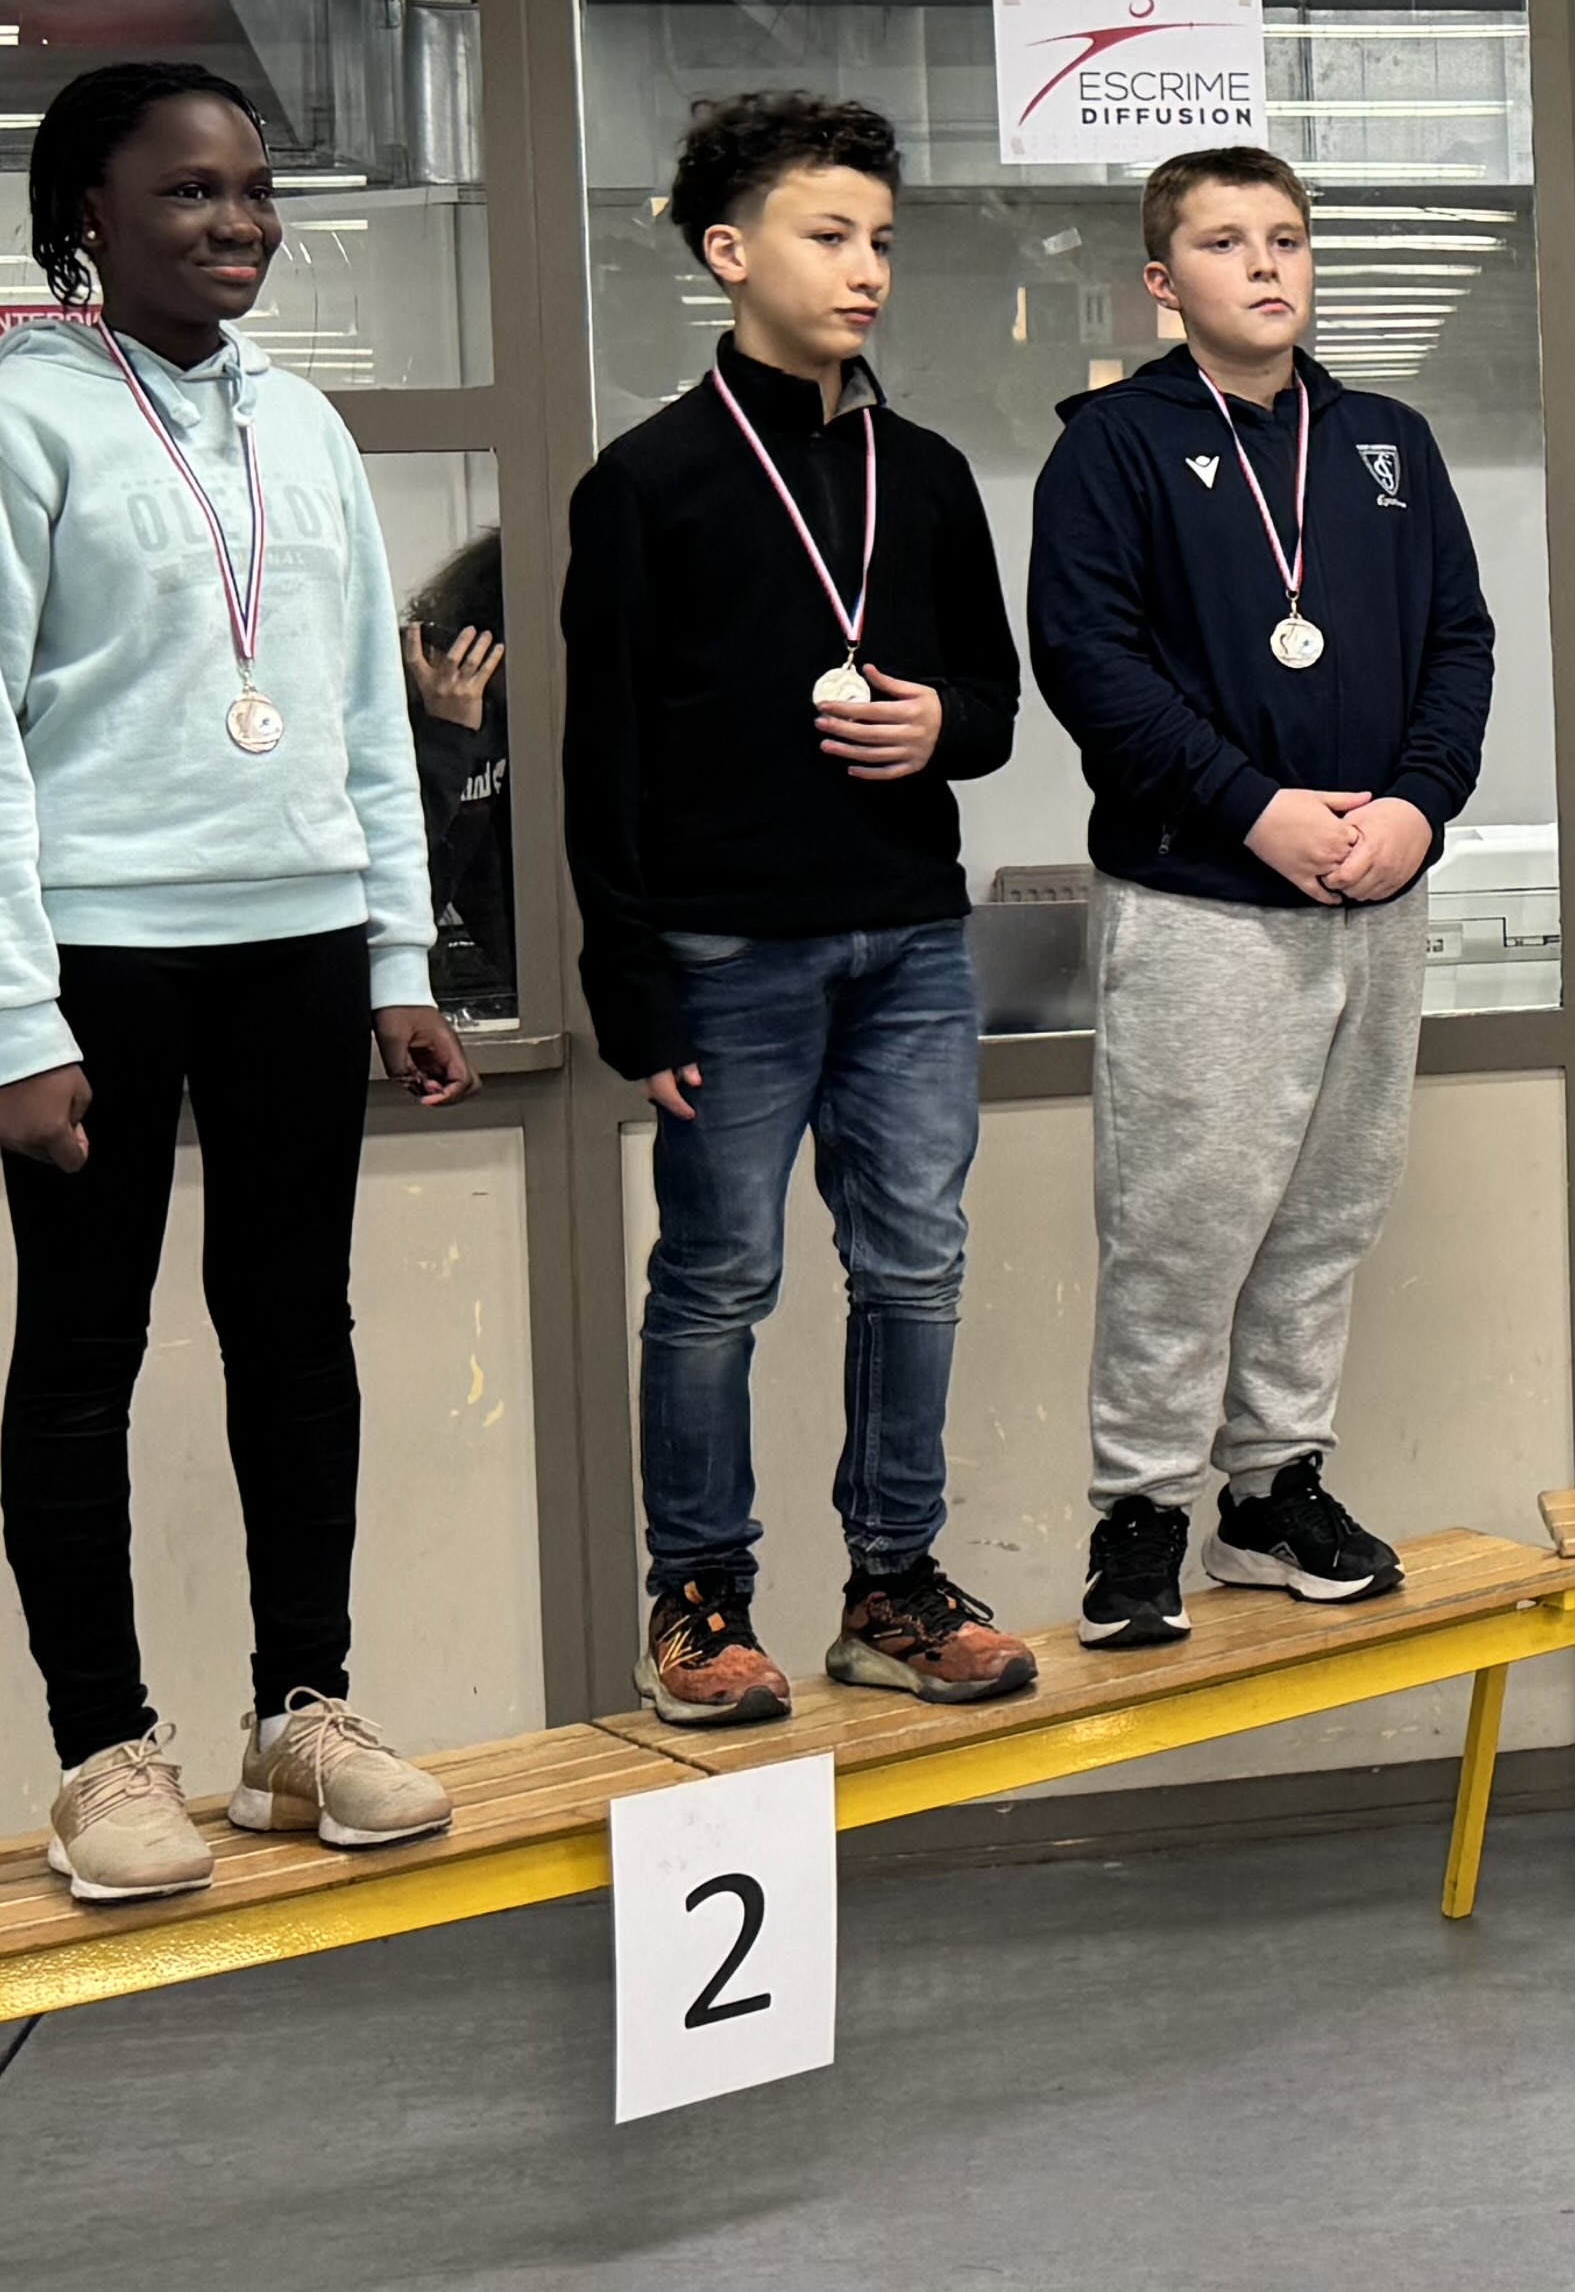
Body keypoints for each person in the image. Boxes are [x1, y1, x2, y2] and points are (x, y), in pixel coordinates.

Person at [0, 63, 478, 1901]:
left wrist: (397, 956)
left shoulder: (306, 424)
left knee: (295, 1335)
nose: (239, 222)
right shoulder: (25, 413)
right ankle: (102, 1751)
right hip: (98, 953)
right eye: (191, 191)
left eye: (256, 190)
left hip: (295, 943)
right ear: (91, 213)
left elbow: (362, 713)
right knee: (82, 1351)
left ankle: (302, 1714)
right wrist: (16, 1015)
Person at [566, 92, 1032, 1728]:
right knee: (718, 1276)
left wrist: (941, 724)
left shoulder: (929, 471)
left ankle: (893, 1585)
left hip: (910, 935)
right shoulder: (648, 481)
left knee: (917, 1264)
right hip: (724, 948)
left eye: (881, 239)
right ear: (727, 249)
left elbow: (993, 700)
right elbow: (602, 756)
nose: (866, 268)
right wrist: (628, 978)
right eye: (828, 234)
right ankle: (699, 1601)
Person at [1028, 147, 1494, 1646]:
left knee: (1328, 1212)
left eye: (1285, 237)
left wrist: (1419, 803)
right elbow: (1091, 665)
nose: (1265, 263)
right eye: (1225, 242)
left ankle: (1270, 1490)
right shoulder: (1113, 446)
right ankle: (1141, 1512)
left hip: (1376, 892)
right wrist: (1253, 807)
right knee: (1185, 1221)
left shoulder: (1387, 441)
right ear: (1163, 281)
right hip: (1205, 900)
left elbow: (1460, 643)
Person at [399, 530, 511, 1018]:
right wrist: (446, 733)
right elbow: (399, 853)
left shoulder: (502, 712)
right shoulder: (407, 697)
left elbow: (493, 876)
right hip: (380, 962)